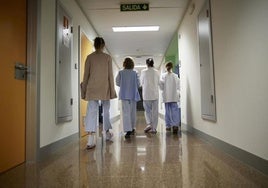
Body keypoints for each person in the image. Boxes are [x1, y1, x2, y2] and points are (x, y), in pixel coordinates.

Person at [81, 37, 117, 149]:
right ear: (103, 45)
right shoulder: (107, 58)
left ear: (94, 45)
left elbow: (85, 75)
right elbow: (110, 75)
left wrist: (84, 90)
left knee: (91, 111)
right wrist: (112, 91)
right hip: (104, 87)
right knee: (106, 111)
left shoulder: (89, 57)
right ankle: (106, 133)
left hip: (92, 88)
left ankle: (90, 140)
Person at [116, 57, 141, 139]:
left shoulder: (120, 72)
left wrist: (124, 85)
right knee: (133, 112)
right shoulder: (135, 72)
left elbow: (117, 82)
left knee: (126, 113)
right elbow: (138, 84)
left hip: (124, 94)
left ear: (124, 63)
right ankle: (133, 128)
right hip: (133, 95)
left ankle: (128, 130)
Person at [159, 62, 181, 134]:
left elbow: (161, 87)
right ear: (172, 67)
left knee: (168, 111)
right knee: (175, 111)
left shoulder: (163, 76)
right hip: (174, 96)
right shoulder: (176, 76)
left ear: (166, 67)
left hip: (167, 96)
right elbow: (178, 87)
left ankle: (168, 126)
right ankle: (175, 125)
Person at [140, 58, 160, 134]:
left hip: (146, 95)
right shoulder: (157, 72)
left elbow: (141, 82)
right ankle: (154, 128)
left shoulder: (143, 71)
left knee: (147, 111)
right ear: (153, 63)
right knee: (155, 112)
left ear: (146, 64)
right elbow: (158, 82)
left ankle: (149, 124)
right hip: (155, 95)